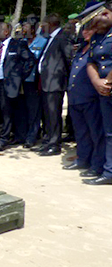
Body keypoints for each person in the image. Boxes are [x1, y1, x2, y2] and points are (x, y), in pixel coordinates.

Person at [0, 22, 35, 152]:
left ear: (6, 32)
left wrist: (20, 77)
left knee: (6, 112)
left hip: (8, 83)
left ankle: (3, 140)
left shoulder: (17, 44)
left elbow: (30, 60)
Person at [63, 21, 105, 179]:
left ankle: (96, 165)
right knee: (81, 132)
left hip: (90, 97)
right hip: (76, 97)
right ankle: (82, 159)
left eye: (89, 29)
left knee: (96, 133)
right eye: (84, 29)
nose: (85, 32)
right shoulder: (81, 48)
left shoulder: (98, 48)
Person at [35, 13, 73, 156]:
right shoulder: (50, 39)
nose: (41, 27)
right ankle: (48, 140)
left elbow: (68, 58)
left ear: (50, 24)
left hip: (55, 82)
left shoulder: (62, 38)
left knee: (54, 114)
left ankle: (54, 144)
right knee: (48, 115)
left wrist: (68, 81)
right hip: (46, 82)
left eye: (43, 24)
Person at [85, 2, 112, 185]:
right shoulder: (98, 37)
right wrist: (96, 81)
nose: (95, 28)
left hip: (108, 86)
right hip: (104, 91)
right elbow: (91, 62)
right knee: (108, 132)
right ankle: (108, 171)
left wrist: (108, 81)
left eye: (107, 13)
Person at [22, 19, 48, 148]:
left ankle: (32, 137)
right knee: (24, 110)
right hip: (21, 81)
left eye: (25, 29)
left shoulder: (42, 42)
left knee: (34, 110)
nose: (22, 31)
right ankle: (23, 134)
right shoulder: (21, 43)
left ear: (32, 30)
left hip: (35, 81)